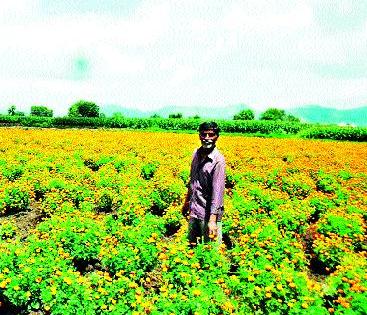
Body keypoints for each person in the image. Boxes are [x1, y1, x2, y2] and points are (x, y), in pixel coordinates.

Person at [182, 121, 226, 246]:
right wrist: (186, 203)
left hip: (208, 214)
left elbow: (217, 193)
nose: (207, 138)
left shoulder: (218, 161)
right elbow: (193, 182)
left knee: (210, 251)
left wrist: (212, 220)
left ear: (217, 136)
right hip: (194, 210)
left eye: (211, 135)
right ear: (199, 135)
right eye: (203, 134)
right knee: (192, 246)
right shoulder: (195, 154)